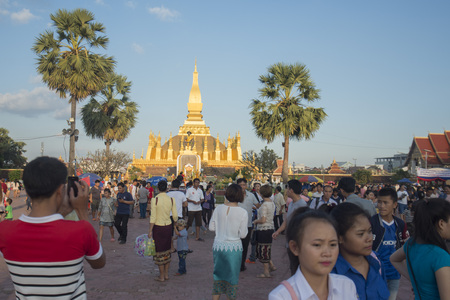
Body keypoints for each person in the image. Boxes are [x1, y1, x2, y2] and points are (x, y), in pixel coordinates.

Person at [0, 156, 105, 299]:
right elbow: (99, 263)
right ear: (61, 190)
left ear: (28, 190)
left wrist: (60, 212)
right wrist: (81, 212)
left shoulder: (5, 231)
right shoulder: (81, 230)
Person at [269, 208, 358, 300]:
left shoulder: (346, 286)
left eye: (333, 244)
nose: (327, 253)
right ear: (295, 247)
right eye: (317, 245)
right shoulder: (281, 296)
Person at [390, 198, 450, 300]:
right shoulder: (440, 256)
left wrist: (416, 280)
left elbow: (393, 259)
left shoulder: (412, 243)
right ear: (441, 223)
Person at [331, 202, 390, 300]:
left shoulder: (377, 263)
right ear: (339, 237)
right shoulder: (331, 273)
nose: (369, 238)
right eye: (360, 234)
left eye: (370, 231)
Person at [209, 183, 248, 300]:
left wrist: (221, 229)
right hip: (233, 248)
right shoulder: (243, 212)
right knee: (232, 278)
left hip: (218, 246)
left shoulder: (218, 208)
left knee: (218, 276)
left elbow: (211, 227)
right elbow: (243, 234)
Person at [369, 188, 409, 300]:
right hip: (376, 273)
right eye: (379, 202)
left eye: (386, 202)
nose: (381, 206)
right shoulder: (371, 222)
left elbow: (405, 247)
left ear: (395, 204)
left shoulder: (400, 224)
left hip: (395, 273)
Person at [149, 180, 178, 282]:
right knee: (167, 250)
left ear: (158, 189)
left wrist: (150, 230)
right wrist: (175, 225)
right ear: (167, 188)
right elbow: (175, 216)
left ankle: (161, 276)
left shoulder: (155, 200)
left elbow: (153, 217)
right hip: (168, 227)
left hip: (158, 227)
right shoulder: (171, 200)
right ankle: (166, 274)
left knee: (159, 251)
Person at [253, 185, 276, 278]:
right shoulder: (271, 203)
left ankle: (266, 271)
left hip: (263, 229)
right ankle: (271, 265)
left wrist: (255, 221)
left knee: (263, 250)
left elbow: (263, 219)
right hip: (270, 228)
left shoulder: (264, 205)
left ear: (262, 194)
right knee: (267, 248)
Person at [237, 178, 260, 271]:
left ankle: (242, 265)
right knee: (236, 245)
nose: (242, 187)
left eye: (244, 185)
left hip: (248, 224)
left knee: (245, 246)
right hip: (236, 225)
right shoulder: (234, 196)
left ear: (246, 185)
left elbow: (258, 205)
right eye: (240, 185)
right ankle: (236, 264)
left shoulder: (251, 195)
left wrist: (254, 207)